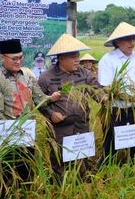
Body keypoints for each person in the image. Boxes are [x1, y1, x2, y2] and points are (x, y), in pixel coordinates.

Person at [0, 39, 60, 180]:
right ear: (2, 57)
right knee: (8, 177)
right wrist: (15, 128)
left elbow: (39, 98)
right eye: (14, 58)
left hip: (26, 134)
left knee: (27, 173)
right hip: (7, 137)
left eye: (20, 57)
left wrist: (51, 98)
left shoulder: (27, 76)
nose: (18, 61)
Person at [38, 34, 105, 182]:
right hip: (60, 130)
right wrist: (50, 114)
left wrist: (106, 98)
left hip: (82, 127)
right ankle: (60, 194)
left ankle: (82, 193)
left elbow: (97, 91)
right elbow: (38, 102)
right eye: (73, 56)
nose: (77, 60)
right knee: (60, 165)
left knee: (83, 163)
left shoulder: (84, 73)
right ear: (61, 58)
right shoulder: (46, 77)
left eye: (78, 56)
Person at [97, 22, 135, 163]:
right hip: (114, 111)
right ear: (117, 42)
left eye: (133, 39)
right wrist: (132, 97)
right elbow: (106, 88)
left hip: (134, 110)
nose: (132, 43)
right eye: (127, 39)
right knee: (110, 148)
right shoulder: (108, 60)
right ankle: (104, 174)